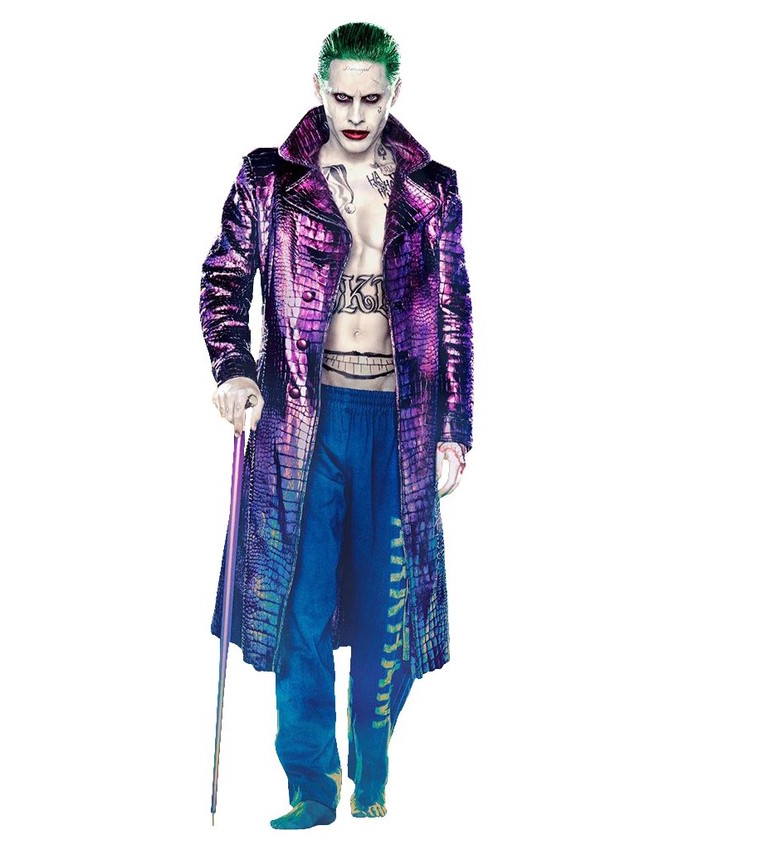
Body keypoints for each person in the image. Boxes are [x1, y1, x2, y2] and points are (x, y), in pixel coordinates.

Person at [199, 22, 473, 829]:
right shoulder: (269, 180)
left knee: (394, 607)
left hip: (398, 423)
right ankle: (312, 784)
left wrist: (455, 425)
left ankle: (371, 765)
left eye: (370, 98)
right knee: (301, 607)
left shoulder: (432, 190)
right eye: (341, 96)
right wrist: (234, 368)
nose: (355, 114)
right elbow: (224, 278)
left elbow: (453, 309)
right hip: (300, 420)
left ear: (394, 94)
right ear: (319, 88)